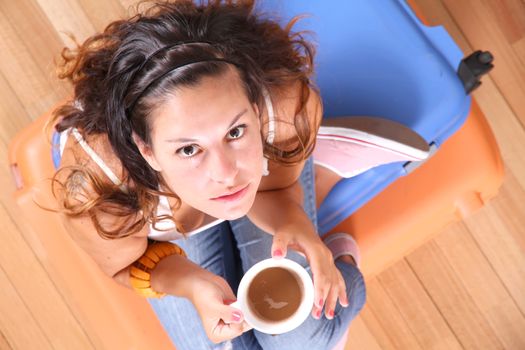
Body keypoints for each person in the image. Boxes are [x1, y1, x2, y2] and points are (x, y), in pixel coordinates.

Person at [49, 1, 368, 349]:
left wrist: (297, 223)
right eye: (189, 149)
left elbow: (275, 188)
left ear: (256, 110)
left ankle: (329, 214)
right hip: (150, 216)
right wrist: (190, 283)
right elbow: (123, 265)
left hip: (261, 174)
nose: (226, 173)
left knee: (297, 340)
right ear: (148, 151)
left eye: (235, 132)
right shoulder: (100, 188)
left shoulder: (286, 109)